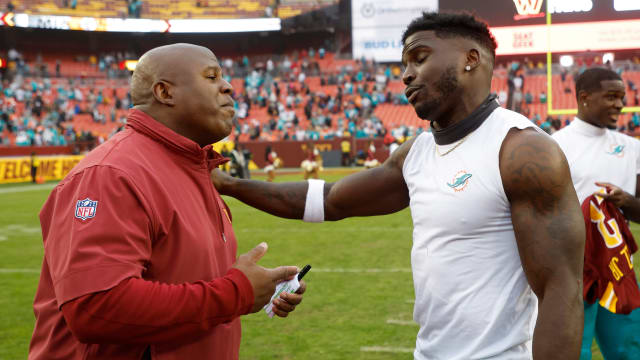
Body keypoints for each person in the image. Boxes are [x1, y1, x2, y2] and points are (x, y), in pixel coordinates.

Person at [212, 12, 584, 359]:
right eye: (404, 64)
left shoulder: (522, 151)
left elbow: (560, 291)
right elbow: (330, 200)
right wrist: (227, 184)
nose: (405, 75)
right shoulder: (415, 153)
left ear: (471, 59)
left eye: (419, 58)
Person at [29, 43, 305, 360]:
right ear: (165, 92)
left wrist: (259, 288)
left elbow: (187, 279)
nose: (228, 86)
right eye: (212, 76)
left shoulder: (194, 169)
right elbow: (96, 307)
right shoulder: (112, 174)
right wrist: (237, 293)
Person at [551, 67, 640, 360]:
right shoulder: (554, 145)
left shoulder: (632, 148)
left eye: (621, 97)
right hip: (572, 267)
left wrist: (625, 200)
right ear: (584, 97)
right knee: (573, 351)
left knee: (627, 350)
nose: (619, 104)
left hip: (617, 265)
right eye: (611, 96)